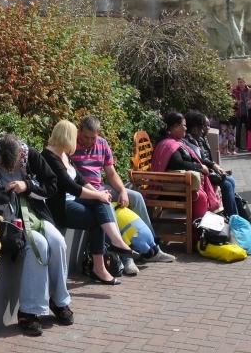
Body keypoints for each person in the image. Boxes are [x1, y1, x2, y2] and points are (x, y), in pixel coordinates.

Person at [0, 134, 72, 337]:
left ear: (19, 156)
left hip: (35, 212)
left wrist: (27, 186)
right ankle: (28, 311)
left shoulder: (31, 156)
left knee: (58, 241)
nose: (8, 170)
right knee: (39, 246)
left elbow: (51, 184)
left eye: (13, 165)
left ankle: (59, 301)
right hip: (6, 218)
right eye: (3, 165)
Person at [71, 116, 176, 273]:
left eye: (93, 137)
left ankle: (153, 249)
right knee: (108, 206)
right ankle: (127, 259)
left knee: (136, 197)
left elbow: (111, 173)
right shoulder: (71, 144)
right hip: (83, 191)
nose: (89, 141)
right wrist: (98, 193)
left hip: (100, 187)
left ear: (98, 133)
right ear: (79, 131)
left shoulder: (102, 144)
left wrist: (121, 191)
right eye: (86, 137)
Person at [41, 120, 137, 285]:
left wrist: (98, 193)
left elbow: (80, 179)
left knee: (102, 202)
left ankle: (115, 244)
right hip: (60, 207)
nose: (77, 141)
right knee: (98, 216)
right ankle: (100, 266)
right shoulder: (49, 157)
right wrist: (97, 195)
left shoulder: (64, 155)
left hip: (74, 200)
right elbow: (71, 186)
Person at [150, 111, 223, 219]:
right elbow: (177, 164)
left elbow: (194, 158)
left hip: (180, 184)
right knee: (200, 196)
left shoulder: (175, 141)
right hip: (170, 188)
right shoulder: (168, 144)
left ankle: (215, 225)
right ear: (175, 126)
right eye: (184, 125)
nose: (185, 128)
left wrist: (210, 165)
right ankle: (196, 232)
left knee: (217, 185)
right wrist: (199, 167)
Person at [183, 110, 238, 216]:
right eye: (202, 127)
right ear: (195, 129)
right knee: (226, 185)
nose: (204, 130)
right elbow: (196, 160)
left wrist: (214, 166)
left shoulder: (195, 139)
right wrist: (213, 167)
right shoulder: (188, 141)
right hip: (197, 176)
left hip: (202, 172)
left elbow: (202, 158)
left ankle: (232, 215)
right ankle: (232, 217)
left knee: (230, 181)